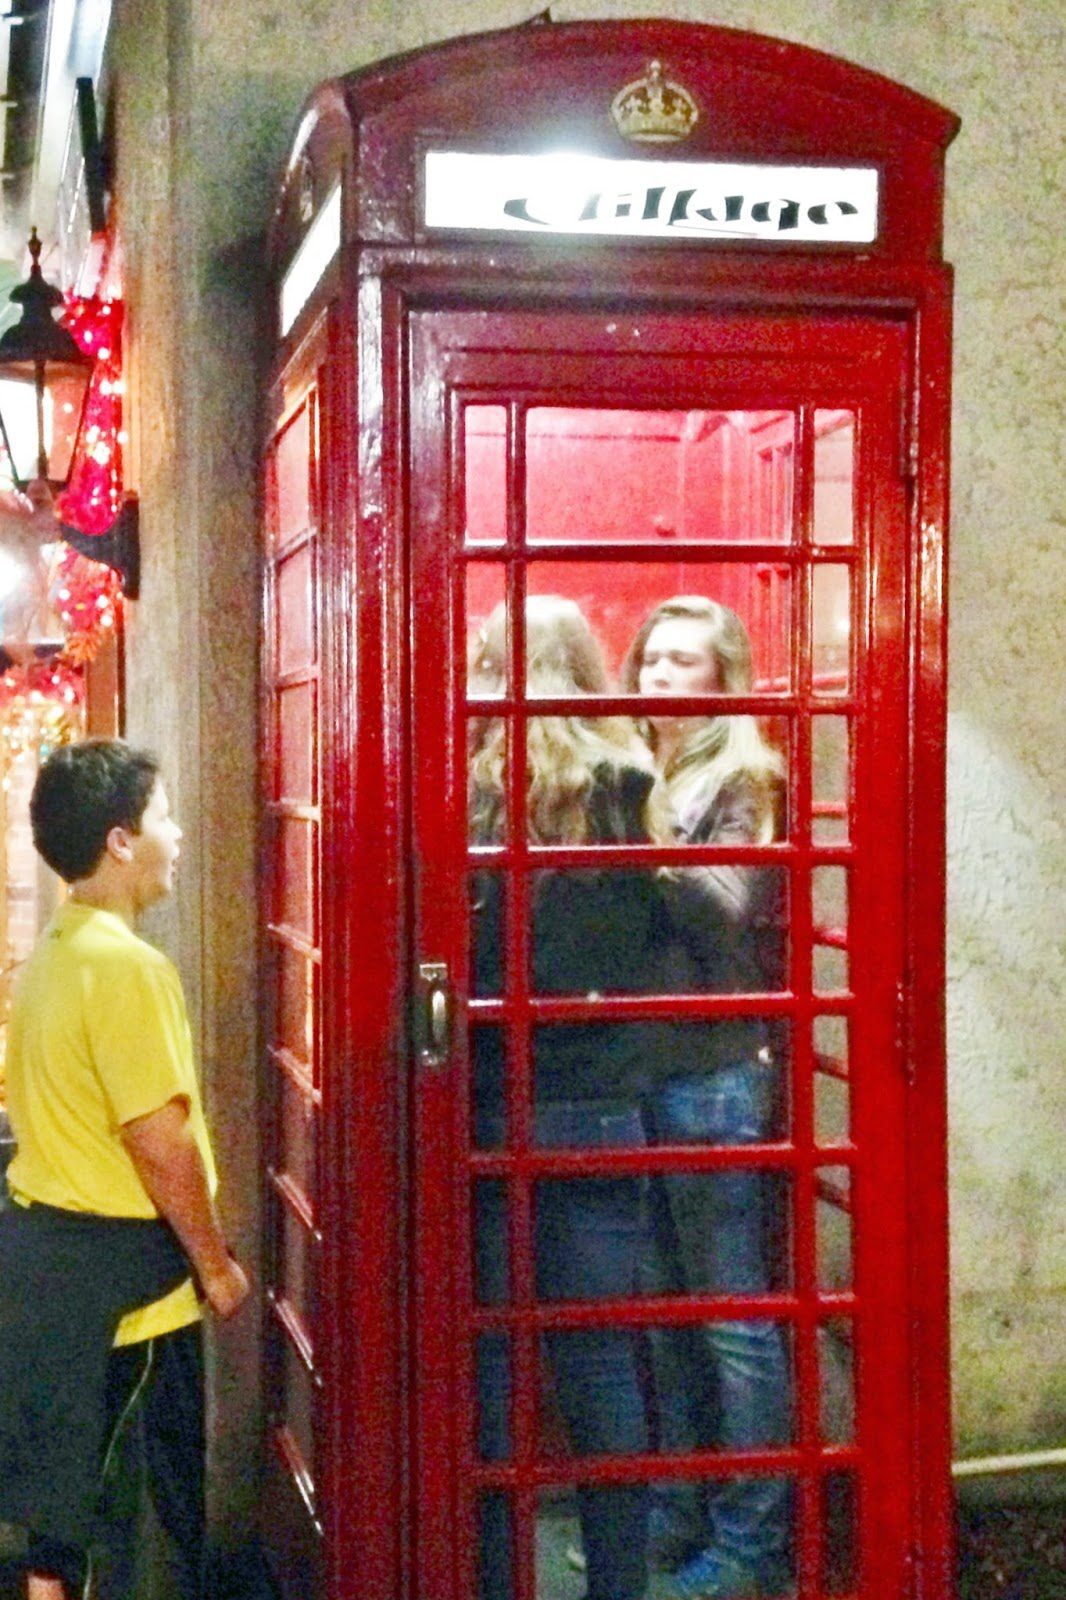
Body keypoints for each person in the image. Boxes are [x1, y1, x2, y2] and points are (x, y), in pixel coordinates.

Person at [0, 739, 249, 1600]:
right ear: (120, 840)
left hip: (51, 1282)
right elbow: (159, 1140)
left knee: (59, 1528)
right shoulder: (128, 968)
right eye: (164, 817)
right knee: (140, 1532)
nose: (175, 836)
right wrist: (215, 1267)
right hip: (133, 1301)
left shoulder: (52, 954)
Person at [469, 595, 675, 1600]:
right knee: (600, 1363)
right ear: (591, 668)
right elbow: (651, 936)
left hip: (488, 1098)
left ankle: (496, 1577)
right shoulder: (628, 782)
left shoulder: (467, 783)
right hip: (598, 1097)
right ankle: (619, 1583)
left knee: (491, 1361)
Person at [620, 598, 793, 1600]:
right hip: (638, 1068)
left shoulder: (742, 776)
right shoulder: (638, 765)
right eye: (650, 658)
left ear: (724, 678)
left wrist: (640, 824)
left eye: (684, 661)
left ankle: (749, 1543)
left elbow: (728, 907)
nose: (659, 675)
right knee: (662, 1312)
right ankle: (676, 1511)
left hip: (714, 1071)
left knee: (730, 1315)